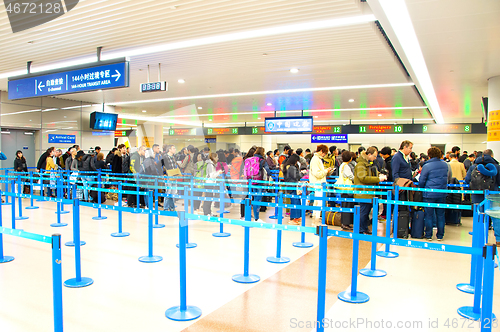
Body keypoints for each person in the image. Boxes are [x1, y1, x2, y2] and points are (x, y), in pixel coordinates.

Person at [354, 147, 386, 235]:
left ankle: (364, 228)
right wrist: (378, 179)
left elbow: (370, 173)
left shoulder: (368, 163)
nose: (375, 158)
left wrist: (379, 175)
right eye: (374, 156)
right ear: (369, 155)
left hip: (368, 192)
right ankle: (360, 230)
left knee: (366, 212)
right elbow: (363, 178)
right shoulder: (361, 164)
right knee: (363, 212)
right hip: (363, 192)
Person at [419, 147, 449, 241]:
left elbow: (422, 180)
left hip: (429, 193)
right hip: (442, 193)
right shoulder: (445, 165)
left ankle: (428, 235)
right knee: (440, 215)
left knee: (429, 215)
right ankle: (440, 235)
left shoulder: (427, 166)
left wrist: (422, 189)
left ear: (429, 155)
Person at [309, 144, 332, 225]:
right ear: (321, 151)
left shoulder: (317, 159)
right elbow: (317, 173)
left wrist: (326, 170)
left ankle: (315, 219)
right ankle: (316, 220)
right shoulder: (315, 159)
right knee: (319, 202)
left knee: (317, 201)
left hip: (318, 183)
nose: (325, 155)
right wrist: (326, 171)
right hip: (318, 183)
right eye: (325, 153)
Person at [283, 154, 306, 225]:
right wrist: (302, 173)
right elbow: (296, 176)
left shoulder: (288, 166)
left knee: (296, 201)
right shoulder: (292, 167)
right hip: (292, 186)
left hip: (290, 186)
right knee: (294, 202)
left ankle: (296, 217)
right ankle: (292, 218)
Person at [338, 150, 355, 230]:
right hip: (347, 188)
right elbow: (350, 176)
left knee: (345, 205)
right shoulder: (346, 166)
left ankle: (345, 223)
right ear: (350, 158)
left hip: (343, 188)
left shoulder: (342, 165)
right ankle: (345, 223)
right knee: (347, 205)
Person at [162, 144, 178, 211]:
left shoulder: (173, 157)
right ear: (169, 150)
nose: (175, 149)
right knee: (168, 192)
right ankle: (165, 208)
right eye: (173, 148)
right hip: (168, 176)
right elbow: (161, 166)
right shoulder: (165, 157)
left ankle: (172, 207)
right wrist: (164, 174)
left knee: (173, 193)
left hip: (174, 176)